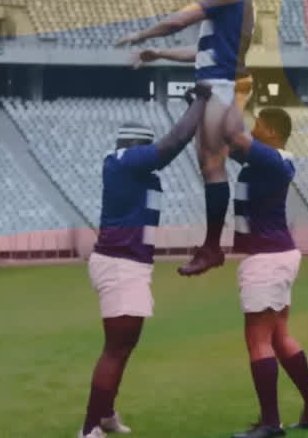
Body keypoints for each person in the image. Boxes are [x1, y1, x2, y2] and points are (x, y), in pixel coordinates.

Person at [117, 0, 256, 276]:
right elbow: (202, 52)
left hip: (219, 85)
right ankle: (216, 245)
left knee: (214, 163)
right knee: (216, 161)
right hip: (219, 81)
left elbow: (181, 20)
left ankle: (213, 247)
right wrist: (160, 54)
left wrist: (142, 34)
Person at [79, 85, 210, 438]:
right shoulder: (126, 160)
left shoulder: (131, 169)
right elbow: (169, 146)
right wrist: (200, 101)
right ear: (136, 146)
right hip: (121, 264)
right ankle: (90, 426)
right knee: (117, 347)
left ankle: (104, 415)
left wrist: (194, 111)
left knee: (123, 346)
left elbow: (180, 143)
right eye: (146, 148)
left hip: (128, 263)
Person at [219, 78, 308, 438]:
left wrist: (239, 96)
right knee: (279, 335)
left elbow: (234, 138)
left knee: (258, 340)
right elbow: (228, 142)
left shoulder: (271, 160)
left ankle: (270, 423)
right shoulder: (269, 161)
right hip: (276, 254)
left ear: (269, 130)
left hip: (266, 258)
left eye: (258, 125)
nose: (252, 130)